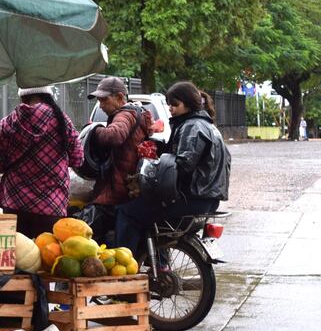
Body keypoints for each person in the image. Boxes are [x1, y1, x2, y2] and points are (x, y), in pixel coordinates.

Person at [114, 81, 230, 256]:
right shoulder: (208, 126)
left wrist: (150, 184)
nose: (170, 108)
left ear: (189, 104)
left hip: (192, 198)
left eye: (175, 104)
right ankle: (161, 266)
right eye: (169, 104)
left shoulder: (192, 126)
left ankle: (123, 265)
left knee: (127, 213)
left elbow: (182, 166)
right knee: (151, 219)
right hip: (207, 198)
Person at [0, 86, 83, 238]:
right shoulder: (63, 121)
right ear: (48, 95)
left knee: (18, 257)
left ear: (23, 97)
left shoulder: (9, 122)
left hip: (15, 204)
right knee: (47, 256)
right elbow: (78, 158)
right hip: (52, 206)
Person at [85, 77, 153, 245]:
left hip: (118, 188)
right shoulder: (137, 113)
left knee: (89, 235)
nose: (101, 105)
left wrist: (93, 130)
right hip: (128, 186)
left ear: (120, 97)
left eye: (104, 99)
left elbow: (114, 136)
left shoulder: (125, 114)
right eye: (99, 100)